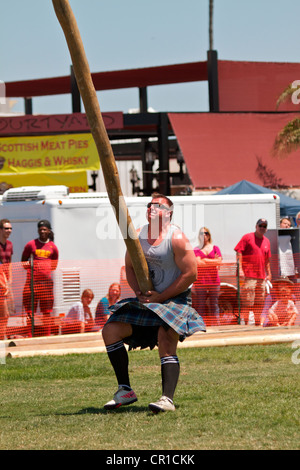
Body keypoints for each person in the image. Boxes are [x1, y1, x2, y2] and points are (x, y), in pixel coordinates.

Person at [102, 193, 206, 413]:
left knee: (165, 339)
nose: (151, 207)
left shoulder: (177, 238)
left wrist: (162, 296)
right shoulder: (139, 235)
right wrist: (138, 291)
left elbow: (191, 274)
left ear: (168, 214)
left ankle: (166, 399)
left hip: (175, 298)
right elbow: (129, 266)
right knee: (110, 330)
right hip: (150, 299)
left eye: (157, 206)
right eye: (149, 204)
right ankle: (125, 390)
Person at [21, 220, 59, 336]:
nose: (42, 231)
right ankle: (29, 335)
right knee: (30, 311)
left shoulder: (53, 247)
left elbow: (54, 265)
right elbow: (23, 261)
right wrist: (32, 269)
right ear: (38, 230)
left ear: (48, 231)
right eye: (40, 229)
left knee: (46, 312)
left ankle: (47, 335)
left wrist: (44, 271)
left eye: (44, 229)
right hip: (32, 283)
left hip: (46, 284)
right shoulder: (31, 245)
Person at [234, 218, 272, 326]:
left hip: (261, 277)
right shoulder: (247, 237)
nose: (262, 228)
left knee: (259, 303)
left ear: (266, 229)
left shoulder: (267, 241)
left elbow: (267, 260)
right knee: (247, 302)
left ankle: (257, 324)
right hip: (248, 276)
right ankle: (245, 324)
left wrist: (269, 274)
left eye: (264, 226)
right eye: (260, 226)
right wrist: (240, 269)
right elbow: (238, 252)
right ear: (256, 226)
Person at [192, 227, 222, 325]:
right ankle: (201, 325)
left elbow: (219, 261)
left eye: (206, 233)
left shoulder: (215, 248)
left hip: (214, 281)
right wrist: (213, 261)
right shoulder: (196, 249)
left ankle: (216, 325)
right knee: (201, 304)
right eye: (201, 233)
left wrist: (205, 260)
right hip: (201, 282)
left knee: (214, 304)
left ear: (209, 235)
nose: (204, 235)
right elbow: (198, 263)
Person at [0, 219, 13, 339]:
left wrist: (10, 281)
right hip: (0, 283)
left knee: (6, 314)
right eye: (6, 228)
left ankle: (2, 336)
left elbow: (9, 263)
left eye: (10, 228)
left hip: (5, 283)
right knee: (4, 314)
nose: (9, 231)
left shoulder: (9, 245)